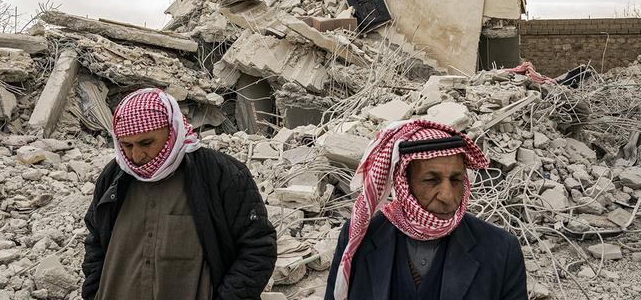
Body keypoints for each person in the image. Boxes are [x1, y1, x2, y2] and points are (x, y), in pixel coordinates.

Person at [81, 88, 277, 300]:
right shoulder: (114, 178)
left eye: (146, 143)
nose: (136, 156)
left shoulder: (219, 175)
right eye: (126, 145)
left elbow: (257, 247)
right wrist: (93, 291)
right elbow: (96, 240)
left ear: (172, 129)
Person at [325, 119, 527, 300]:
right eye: (431, 180)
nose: (447, 196)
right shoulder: (359, 238)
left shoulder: (500, 249)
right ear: (404, 183)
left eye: (456, 180)